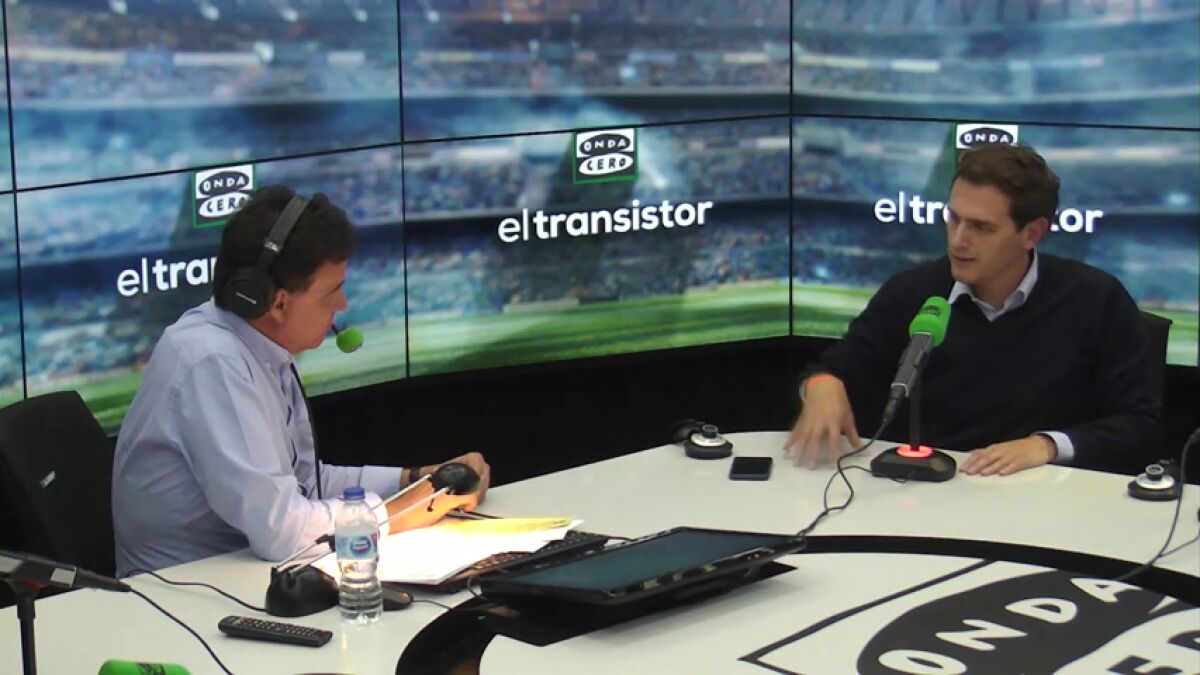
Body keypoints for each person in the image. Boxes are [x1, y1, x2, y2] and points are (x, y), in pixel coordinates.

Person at [113, 185, 490, 576]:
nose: (342, 305)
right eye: (332, 292)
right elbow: (280, 529)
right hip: (180, 592)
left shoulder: (256, 348)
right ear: (277, 303)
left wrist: (414, 480)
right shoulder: (213, 362)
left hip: (236, 574)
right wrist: (398, 513)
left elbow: (305, 485)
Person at [785, 143, 1161, 476]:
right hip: (928, 492)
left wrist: (1047, 445)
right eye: (954, 219)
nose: (958, 240)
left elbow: (1139, 425)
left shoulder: (1095, 299)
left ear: (1032, 233)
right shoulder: (911, 293)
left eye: (981, 227)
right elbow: (826, 373)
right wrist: (820, 386)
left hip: (1042, 498)